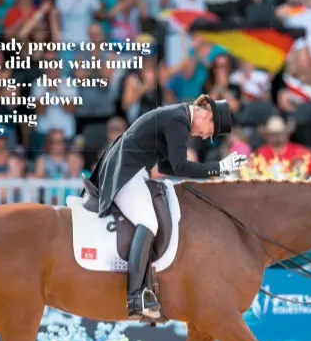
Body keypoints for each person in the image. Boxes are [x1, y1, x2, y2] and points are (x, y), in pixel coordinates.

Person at [89, 95, 245, 319]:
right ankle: (136, 297)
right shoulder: (178, 120)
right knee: (148, 221)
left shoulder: (178, 117)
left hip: (134, 170)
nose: (205, 136)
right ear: (206, 114)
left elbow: (166, 165)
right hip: (126, 173)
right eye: (209, 131)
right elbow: (180, 165)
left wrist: (216, 169)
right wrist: (218, 167)